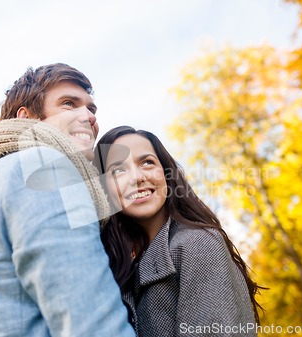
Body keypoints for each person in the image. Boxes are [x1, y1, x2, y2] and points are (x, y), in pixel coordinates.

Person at [0, 64, 135, 337]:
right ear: (28, 117)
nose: (88, 116)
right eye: (69, 104)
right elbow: (90, 320)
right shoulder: (44, 166)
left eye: (91, 109)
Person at [93, 126, 262, 337]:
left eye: (147, 162)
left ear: (166, 174)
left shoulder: (198, 243)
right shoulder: (117, 262)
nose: (137, 177)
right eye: (118, 170)